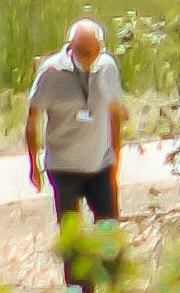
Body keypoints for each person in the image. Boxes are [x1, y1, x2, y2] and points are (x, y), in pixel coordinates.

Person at [23, 18, 130, 244]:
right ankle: (78, 281)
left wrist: (116, 154)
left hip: (100, 164)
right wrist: (33, 163)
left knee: (110, 232)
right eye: (84, 52)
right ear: (71, 47)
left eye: (95, 52)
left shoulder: (107, 67)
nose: (91, 57)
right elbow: (33, 118)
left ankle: (112, 279)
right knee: (73, 239)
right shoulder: (51, 71)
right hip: (63, 168)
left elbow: (115, 112)